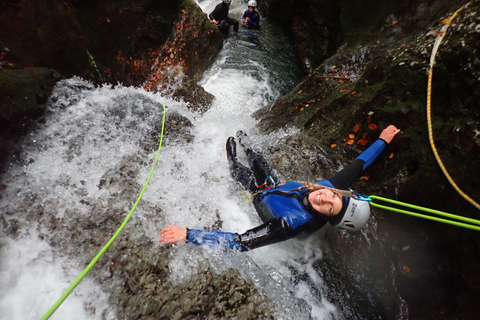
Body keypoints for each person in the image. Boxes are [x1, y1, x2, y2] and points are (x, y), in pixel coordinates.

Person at [159, 125, 401, 252]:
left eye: (329, 209)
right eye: (332, 198)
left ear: (328, 217)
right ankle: (247, 144)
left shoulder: (289, 223)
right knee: (256, 158)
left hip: (260, 195)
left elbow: (241, 242)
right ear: (340, 193)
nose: (324, 199)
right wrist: (383, 140)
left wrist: (189, 235)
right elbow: (359, 165)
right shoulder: (331, 189)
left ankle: (232, 159)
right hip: (275, 185)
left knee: (239, 171)